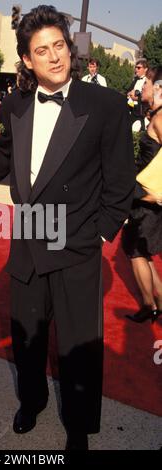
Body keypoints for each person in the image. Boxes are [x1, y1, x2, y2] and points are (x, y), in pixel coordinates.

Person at [0, 5, 135, 450]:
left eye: (59, 46)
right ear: (26, 60)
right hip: (28, 241)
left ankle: (80, 426)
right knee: (27, 337)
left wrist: (100, 235)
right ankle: (31, 402)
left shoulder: (106, 104)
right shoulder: (14, 104)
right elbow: (1, 166)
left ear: (70, 48)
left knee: (79, 347)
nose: (54, 57)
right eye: (41, 50)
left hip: (77, 247)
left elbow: (120, 181)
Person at [122, 66, 162, 323]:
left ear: (159, 88)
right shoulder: (155, 116)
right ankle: (156, 303)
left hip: (149, 197)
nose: (142, 86)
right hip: (146, 196)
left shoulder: (160, 119)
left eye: (146, 82)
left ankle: (149, 305)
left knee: (135, 248)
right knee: (141, 250)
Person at [127, 58, 149, 130]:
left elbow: (148, 98)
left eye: (139, 68)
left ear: (145, 69)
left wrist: (136, 98)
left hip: (141, 111)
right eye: (136, 67)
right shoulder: (135, 79)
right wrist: (129, 93)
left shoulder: (148, 81)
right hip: (131, 108)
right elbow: (127, 91)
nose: (136, 69)